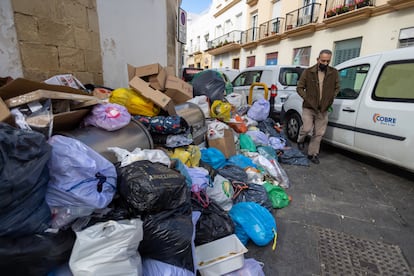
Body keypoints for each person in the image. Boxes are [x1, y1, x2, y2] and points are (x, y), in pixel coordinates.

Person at [296, 49, 340, 164]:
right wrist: (307, 98)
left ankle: (313, 154)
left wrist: (330, 98)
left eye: (328, 61)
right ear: (318, 59)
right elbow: (299, 87)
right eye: (323, 60)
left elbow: (337, 88)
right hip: (309, 107)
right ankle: (300, 139)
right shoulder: (308, 72)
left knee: (318, 133)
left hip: (323, 109)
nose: (325, 63)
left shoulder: (334, 73)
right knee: (306, 128)